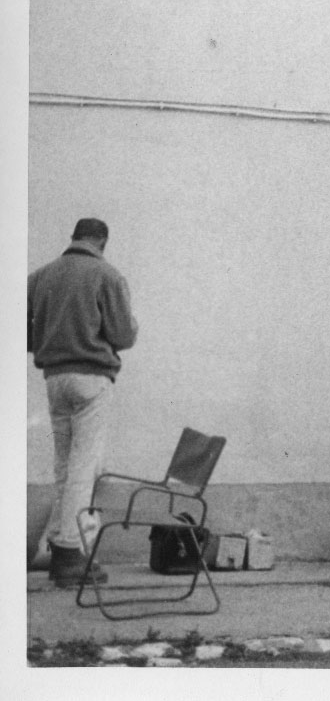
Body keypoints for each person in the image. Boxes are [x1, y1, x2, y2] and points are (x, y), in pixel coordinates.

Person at [28, 218, 139, 588]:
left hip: (55, 379)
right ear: (102, 241)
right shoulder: (107, 275)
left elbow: (23, 329)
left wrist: (49, 340)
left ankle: (58, 545)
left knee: (64, 464)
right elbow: (123, 335)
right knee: (84, 466)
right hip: (91, 378)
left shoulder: (40, 276)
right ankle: (69, 553)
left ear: (73, 237)